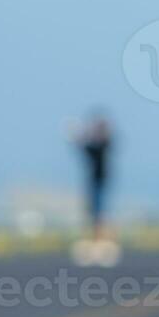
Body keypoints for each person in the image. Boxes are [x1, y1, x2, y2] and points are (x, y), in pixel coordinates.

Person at [68, 110, 118, 265]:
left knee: (99, 214)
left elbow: (91, 148)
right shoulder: (102, 143)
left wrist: (80, 137)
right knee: (95, 213)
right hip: (96, 181)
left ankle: (102, 245)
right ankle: (98, 243)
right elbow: (88, 150)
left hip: (100, 181)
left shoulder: (104, 144)